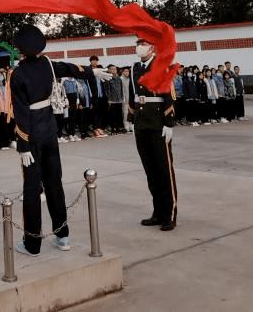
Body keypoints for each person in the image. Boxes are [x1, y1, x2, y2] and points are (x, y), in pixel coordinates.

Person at [10, 24, 111, 256]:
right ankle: (63, 236)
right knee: (55, 184)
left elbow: (21, 112)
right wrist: (91, 71)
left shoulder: (18, 73)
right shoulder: (47, 65)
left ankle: (32, 243)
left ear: (21, 49)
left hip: (32, 133)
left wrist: (23, 144)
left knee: (32, 188)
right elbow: (67, 67)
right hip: (49, 128)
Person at [128, 38, 177, 231]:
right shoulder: (134, 68)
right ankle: (157, 212)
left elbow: (169, 94)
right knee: (150, 171)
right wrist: (131, 119)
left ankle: (169, 214)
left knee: (164, 171)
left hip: (158, 123)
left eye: (143, 43)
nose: (138, 47)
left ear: (151, 47)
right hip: (142, 123)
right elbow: (133, 94)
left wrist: (169, 122)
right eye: (137, 43)